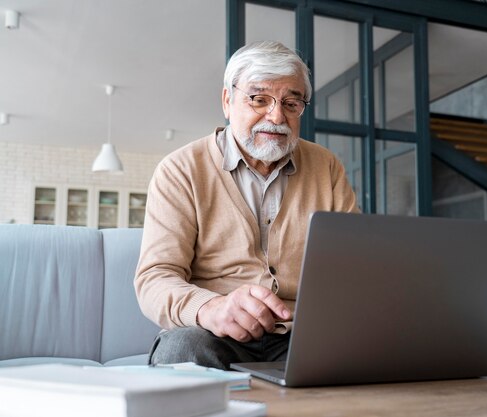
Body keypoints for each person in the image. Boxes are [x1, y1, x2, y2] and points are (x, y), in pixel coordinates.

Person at [134, 40, 359, 370]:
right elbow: (155, 279)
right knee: (182, 349)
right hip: (212, 333)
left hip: (301, 334)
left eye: (291, 103)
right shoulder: (180, 169)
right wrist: (212, 308)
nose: (276, 116)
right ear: (228, 100)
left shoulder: (326, 166)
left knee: (364, 353)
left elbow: (354, 264)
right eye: (259, 99)